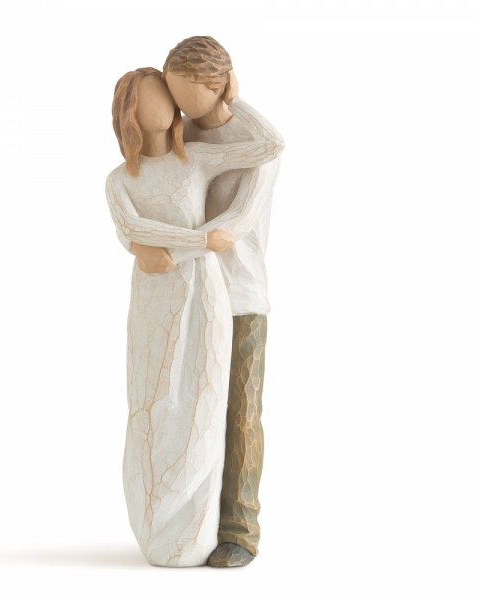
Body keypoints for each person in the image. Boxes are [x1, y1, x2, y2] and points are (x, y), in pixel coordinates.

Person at [117, 36, 285, 567]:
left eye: (188, 96)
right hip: (188, 295)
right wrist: (144, 245)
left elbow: (236, 222)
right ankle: (193, 525)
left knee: (240, 410)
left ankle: (239, 529)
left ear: (220, 87)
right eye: (174, 95)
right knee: (191, 410)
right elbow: (147, 200)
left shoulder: (244, 142)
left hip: (240, 290)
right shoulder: (182, 136)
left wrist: (184, 245)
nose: (179, 108)